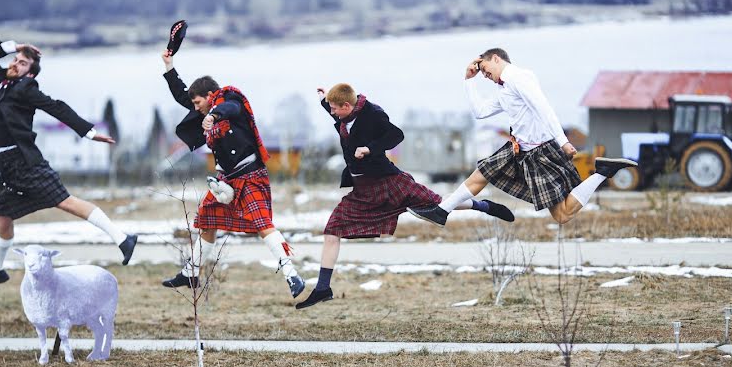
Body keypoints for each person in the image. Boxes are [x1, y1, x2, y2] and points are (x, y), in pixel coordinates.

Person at [295, 83, 515, 309]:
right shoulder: (344, 110)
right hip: (362, 190)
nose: (331, 113)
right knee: (332, 230)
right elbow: (336, 109)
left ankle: (484, 206)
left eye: (333, 108)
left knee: (438, 204)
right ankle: (323, 288)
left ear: (347, 105)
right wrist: (324, 99)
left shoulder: (373, 114)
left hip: (389, 183)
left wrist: (370, 148)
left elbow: (395, 135)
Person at [0, 40, 138, 292]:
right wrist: (15, 45)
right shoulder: (2, 79)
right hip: (6, 167)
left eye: (22, 62)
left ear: (30, 72)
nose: (15, 64)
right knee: (4, 217)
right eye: (15, 59)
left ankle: (122, 239)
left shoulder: (26, 88)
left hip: (25, 163)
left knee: (65, 201)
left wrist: (89, 133)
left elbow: (57, 108)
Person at [408, 48, 637, 228]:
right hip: (519, 149)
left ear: (496, 58)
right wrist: (469, 80)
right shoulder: (505, 88)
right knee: (480, 174)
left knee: (562, 214)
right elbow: (480, 112)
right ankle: (442, 212)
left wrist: (563, 140)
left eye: (486, 70)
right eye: (483, 75)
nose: (486, 76)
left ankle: (602, 172)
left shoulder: (519, 78)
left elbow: (543, 108)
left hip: (541, 152)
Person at [159, 49, 305, 298]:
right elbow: (184, 97)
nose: (195, 108)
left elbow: (231, 108)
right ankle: (191, 273)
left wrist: (214, 115)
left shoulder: (229, 98)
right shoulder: (204, 108)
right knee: (207, 220)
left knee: (263, 225)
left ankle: (292, 274)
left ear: (209, 96)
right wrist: (169, 67)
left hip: (250, 175)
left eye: (198, 103)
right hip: (225, 180)